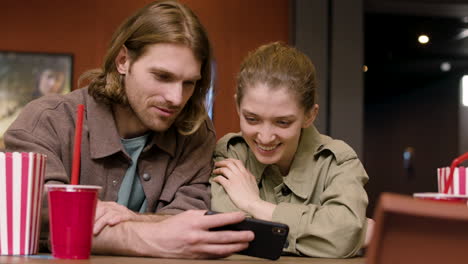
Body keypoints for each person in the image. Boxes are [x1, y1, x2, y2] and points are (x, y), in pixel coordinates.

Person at [4, 0, 253, 259]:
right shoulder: (46, 121)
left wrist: (129, 220)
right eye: (162, 76)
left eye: (189, 83)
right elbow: (38, 214)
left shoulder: (196, 134)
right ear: (123, 61)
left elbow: (187, 220)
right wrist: (149, 234)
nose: (177, 98)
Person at [210, 42, 370, 258]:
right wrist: (336, 237)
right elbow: (225, 232)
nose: (265, 137)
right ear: (238, 105)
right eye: (252, 119)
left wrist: (254, 204)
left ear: (309, 115)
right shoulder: (230, 152)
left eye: (282, 122)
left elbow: (344, 234)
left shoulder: (339, 161)